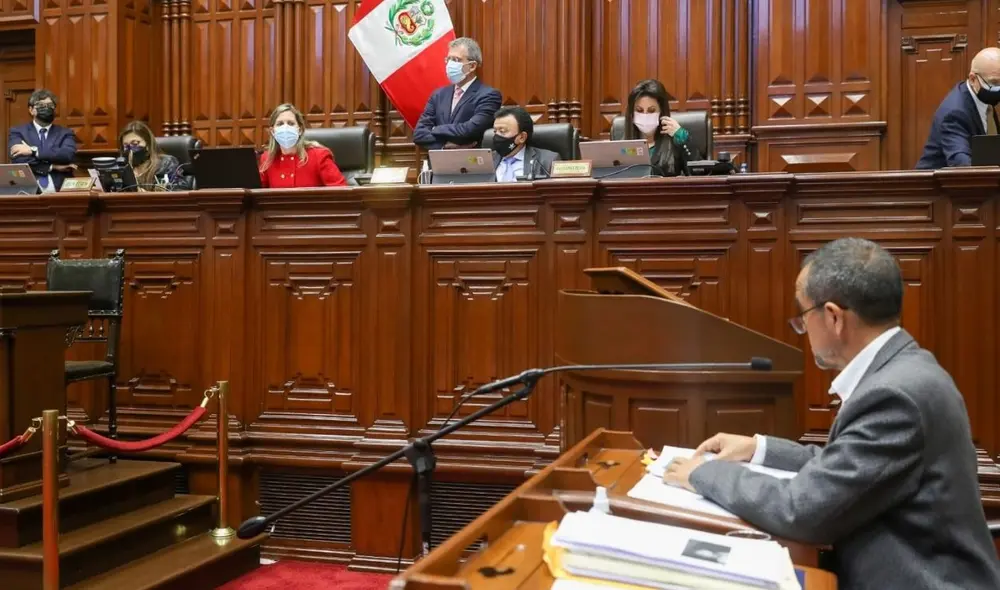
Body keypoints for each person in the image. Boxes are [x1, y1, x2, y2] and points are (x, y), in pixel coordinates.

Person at [664, 238, 1000, 590]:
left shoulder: (894, 396)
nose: (803, 329)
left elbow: (802, 510)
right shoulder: (908, 368)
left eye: (804, 316)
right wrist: (758, 448)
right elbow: (852, 465)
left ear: (834, 317)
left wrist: (705, 474)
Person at [916, 47, 1000, 169]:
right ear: (972, 79)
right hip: (935, 186)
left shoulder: (983, 98)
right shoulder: (955, 114)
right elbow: (962, 164)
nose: (998, 88)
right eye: (994, 83)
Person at [412, 37, 502, 150]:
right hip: (439, 164)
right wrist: (444, 146)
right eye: (448, 59)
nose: (450, 64)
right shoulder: (438, 95)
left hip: (471, 163)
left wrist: (435, 129)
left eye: (456, 59)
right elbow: (419, 134)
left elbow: (469, 130)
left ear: (472, 66)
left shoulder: (489, 95)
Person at [258, 104, 346, 188]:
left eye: (291, 123)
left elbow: (341, 192)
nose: (285, 127)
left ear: (300, 130)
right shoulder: (267, 159)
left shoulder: (319, 156)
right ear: (272, 131)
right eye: (280, 124)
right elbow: (257, 194)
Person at [623, 79, 698, 176]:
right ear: (632, 114)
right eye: (639, 110)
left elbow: (699, 173)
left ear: (661, 112)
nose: (645, 115)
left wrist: (683, 139)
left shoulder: (674, 142)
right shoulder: (621, 145)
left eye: (651, 111)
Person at [6, 89, 78, 192]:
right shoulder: (18, 132)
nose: (46, 108)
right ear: (31, 110)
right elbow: (19, 160)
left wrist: (33, 151)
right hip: (27, 191)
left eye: (50, 105)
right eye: (41, 105)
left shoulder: (66, 133)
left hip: (61, 191)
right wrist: (52, 166)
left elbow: (66, 155)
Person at [491, 106, 559, 182]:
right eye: (495, 131)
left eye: (502, 131)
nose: (496, 136)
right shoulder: (487, 160)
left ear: (522, 137)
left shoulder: (548, 161)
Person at [118, 121, 191, 191]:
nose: (130, 149)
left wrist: (146, 195)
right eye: (126, 146)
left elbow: (180, 190)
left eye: (135, 144)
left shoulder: (166, 164)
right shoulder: (121, 168)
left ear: (148, 144)